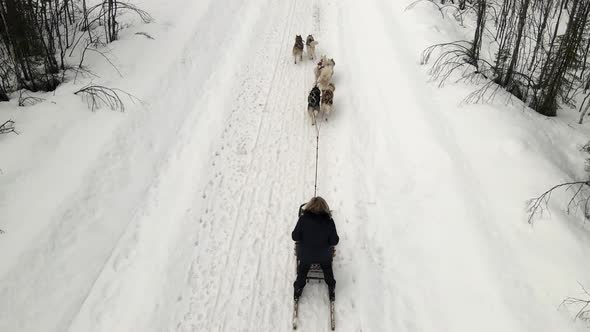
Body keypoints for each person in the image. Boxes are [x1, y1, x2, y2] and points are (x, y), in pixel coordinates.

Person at [292, 196, 339, 301]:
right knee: (327, 268)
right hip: (324, 256)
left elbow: (295, 236)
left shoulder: (303, 219)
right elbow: (334, 241)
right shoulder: (329, 221)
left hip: (305, 255)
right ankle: (331, 286)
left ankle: (298, 288)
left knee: (303, 269)